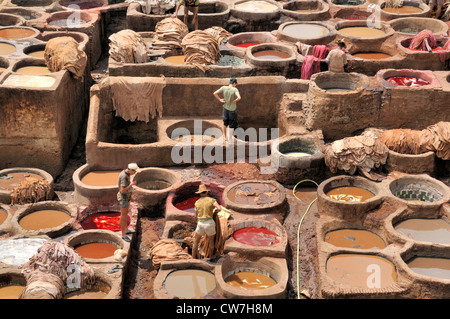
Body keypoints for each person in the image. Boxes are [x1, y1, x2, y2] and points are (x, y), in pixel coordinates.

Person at [192, 184, 222, 259]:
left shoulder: (197, 202)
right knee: (211, 241)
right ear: (206, 192)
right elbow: (219, 208)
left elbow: (195, 216)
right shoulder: (212, 200)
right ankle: (211, 256)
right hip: (210, 223)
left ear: (200, 193)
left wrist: (198, 221)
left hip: (201, 223)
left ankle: (193, 258)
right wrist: (214, 212)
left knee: (196, 241)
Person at [213, 78, 241, 143]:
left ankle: (225, 137)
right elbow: (239, 97)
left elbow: (214, 93)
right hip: (232, 110)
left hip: (225, 108)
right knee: (231, 124)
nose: (235, 85)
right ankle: (230, 138)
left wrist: (220, 99)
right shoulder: (235, 89)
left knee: (225, 123)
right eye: (235, 84)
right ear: (234, 83)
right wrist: (234, 101)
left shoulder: (223, 88)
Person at [117, 163, 139, 242]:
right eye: (134, 171)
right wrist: (131, 185)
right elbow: (122, 190)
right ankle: (123, 235)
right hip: (123, 198)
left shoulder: (127, 173)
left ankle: (126, 230)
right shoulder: (124, 176)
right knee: (123, 215)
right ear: (130, 170)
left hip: (127, 196)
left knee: (126, 213)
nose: (135, 173)